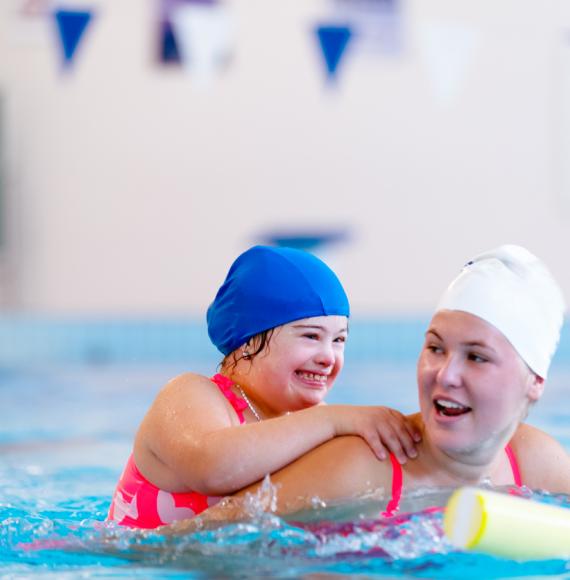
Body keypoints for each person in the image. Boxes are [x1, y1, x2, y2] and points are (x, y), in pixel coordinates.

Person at [179, 244, 570, 522]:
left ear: (534, 382)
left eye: (477, 357)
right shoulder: (359, 467)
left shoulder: (538, 464)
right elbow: (186, 543)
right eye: (435, 348)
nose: (445, 374)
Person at [108, 245, 421, 528]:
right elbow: (211, 469)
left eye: (339, 340)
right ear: (247, 342)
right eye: (311, 336)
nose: (328, 357)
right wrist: (332, 421)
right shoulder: (191, 395)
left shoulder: (312, 423)